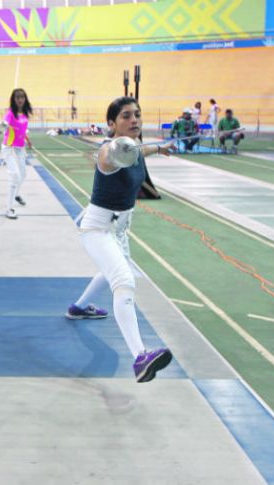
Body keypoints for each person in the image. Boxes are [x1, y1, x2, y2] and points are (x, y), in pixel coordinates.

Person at [65, 96, 176, 383]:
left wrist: (160, 148)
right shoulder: (110, 150)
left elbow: (141, 150)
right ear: (112, 124)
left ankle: (78, 308)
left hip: (119, 229)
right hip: (98, 228)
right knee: (124, 280)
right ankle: (140, 357)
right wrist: (114, 148)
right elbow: (108, 156)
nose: (135, 120)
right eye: (126, 116)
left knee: (109, 270)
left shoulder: (135, 148)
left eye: (137, 114)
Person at [0, 88, 34, 220]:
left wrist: (28, 141)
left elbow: (23, 130)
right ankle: (9, 209)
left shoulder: (25, 114)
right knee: (15, 175)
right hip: (9, 148)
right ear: (13, 100)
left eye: (22, 97)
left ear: (25, 99)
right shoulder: (10, 113)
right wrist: (2, 126)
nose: (20, 99)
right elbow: (5, 124)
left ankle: (16, 194)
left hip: (20, 148)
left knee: (23, 174)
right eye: (17, 97)